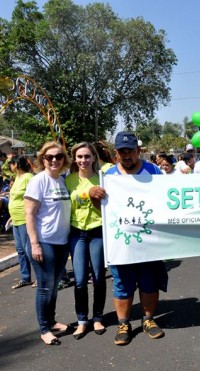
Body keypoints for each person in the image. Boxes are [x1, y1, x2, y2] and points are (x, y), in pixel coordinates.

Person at [89, 131, 168, 345]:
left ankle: (148, 320)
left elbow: (167, 199)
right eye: (122, 151)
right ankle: (123, 323)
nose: (126, 156)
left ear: (138, 151)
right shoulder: (109, 176)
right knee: (122, 285)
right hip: (121, 242)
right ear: (115, 153)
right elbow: (102, 209)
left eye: (130, 151)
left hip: (150, 240)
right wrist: (94, 196)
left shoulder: (153, 171)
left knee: (149, 282)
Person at [24, 142, 72, 345]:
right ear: (42, 159)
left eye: (58, 156)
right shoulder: (38, 181)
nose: (54, 160)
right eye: (49, 157)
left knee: (54, 286)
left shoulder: (62, 180)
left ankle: (51, 321)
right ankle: (44, 329)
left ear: (64, 160)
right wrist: (34, 244)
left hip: (61, 243)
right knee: (45, 287)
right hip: (44, 242)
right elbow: (29, 214)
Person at [65, 142, 107, 340]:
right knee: (80, 280)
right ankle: (82, 320)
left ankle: (97, 317)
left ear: (94, 158)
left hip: (97, 231)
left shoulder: (103, 179)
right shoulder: (68, 180)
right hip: (77, 233)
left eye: (87, 156)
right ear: (74, 159)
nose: (83, 160)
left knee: (98, 278)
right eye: (80, 157)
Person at [8, 156, 35, 289]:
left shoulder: (28, 177)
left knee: (29, 249)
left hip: (25, 219)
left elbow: (34, 197)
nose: (9, 166)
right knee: (20, 250)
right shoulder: (16, 178)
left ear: (17, 164)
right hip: (16, 219)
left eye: (11, 164)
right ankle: (25, 278)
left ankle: (40, 276)